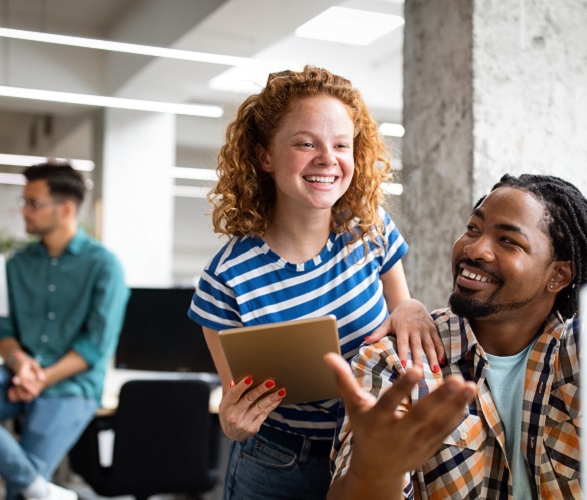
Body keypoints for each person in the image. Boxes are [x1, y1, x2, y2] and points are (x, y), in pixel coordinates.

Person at [187, 66, 442, 499]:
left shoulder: (369, 230)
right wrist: (233, 422)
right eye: (306, 143)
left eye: (341, 145)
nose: (328, 158)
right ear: (265, 156)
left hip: (370, 452)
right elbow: (235, 405)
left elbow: (402, 314)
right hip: (276, 463)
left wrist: (412, 307)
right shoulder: (226, 277)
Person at [328, 173, 587, 499]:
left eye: (508, 241)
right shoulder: (396, 363)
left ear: (557, 275)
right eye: (473, 228)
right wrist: (375, 470)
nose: (475, 248)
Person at [0, 163, 129, 500]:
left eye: (32, 203)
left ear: (66, 209)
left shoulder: (103, 265)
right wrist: (21, 364)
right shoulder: (17, 264)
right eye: (23, 201)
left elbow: (95, 345)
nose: (23, 211)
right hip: (17, 371)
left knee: (18, 488)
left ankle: (29, 484)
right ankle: (39, 487)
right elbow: (3, 331)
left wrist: (41, 378)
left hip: (72, 382)